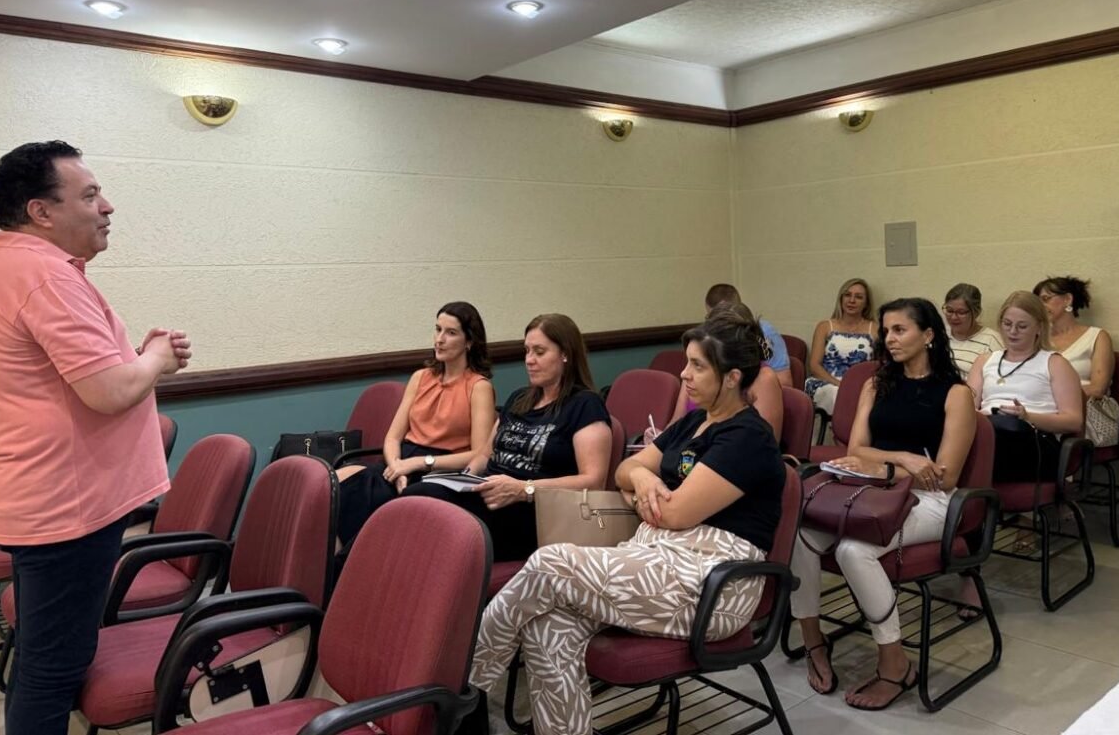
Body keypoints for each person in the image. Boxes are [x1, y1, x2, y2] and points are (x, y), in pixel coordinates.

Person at [468, 306, 786, 735]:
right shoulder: (695, 420)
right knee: (549, 627)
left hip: (714, 581)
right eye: (685, 363)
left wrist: (649, 496)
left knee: (548, 562)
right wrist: (641, 476)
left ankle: (462, 691)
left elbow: (673, 514)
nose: (684, 376)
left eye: (697, 366)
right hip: (655, 556)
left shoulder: (747, 436)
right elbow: (622, 473)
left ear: (732, 377)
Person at [0, 141, 191, 735]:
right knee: (53, 667)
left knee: (46, 659)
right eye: (90, 195)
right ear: (41, 212)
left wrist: (139, 357)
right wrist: (155, 358)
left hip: (51, 497)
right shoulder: (43, 276)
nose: (107, 207)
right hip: (67, 507)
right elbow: (109, 390)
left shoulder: (7, 268)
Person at [790, 297, 975, 710]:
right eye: (886, 330)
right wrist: (903, 459)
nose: (888, 339)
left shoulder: (955, 393)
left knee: (855, 550)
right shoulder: (877, 383)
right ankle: (814, 643)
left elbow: (945, 474)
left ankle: (895, 665)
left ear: (928, 335)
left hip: (930, 501)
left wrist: (885, 464)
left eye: (899, 330)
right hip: (872, 491)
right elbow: (855, 448)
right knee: (800, 533)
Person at [401, 313, 610, 561]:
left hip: (532, 513)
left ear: (565, 354)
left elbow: (594, 481)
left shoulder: (585, 405)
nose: (529, 361)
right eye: (527, 351)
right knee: (417, 495)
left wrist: (523, 489)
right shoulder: (519, 399)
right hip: (489, 496)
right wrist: (462, 479)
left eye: (539, 352)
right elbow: (485, 454)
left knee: (424, 504)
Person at [335, 302, 495, 547]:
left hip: (440, 468)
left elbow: (478, 453)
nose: (439, 339)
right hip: (400, 462)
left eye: (450, 333)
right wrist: (397, 465)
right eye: (437, 329)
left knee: (374, 500)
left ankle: (356, 564)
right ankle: (342, 569)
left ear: (469, 342)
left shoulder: (478, 386)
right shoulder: (421, 377)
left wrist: (418, 464)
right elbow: (392, 438)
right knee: (342, 491)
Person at [967, 291, 1083, 484]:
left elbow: (1074, 422)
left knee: (1009, 428)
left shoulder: (1054, 363)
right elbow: (968, 410)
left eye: (1022, 326)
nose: (1012, 332)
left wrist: (1028, 417)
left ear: (1039, 327)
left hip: (1035, 440)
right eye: (1007, 324)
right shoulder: (984, 361)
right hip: (989, 434)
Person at [668, 300, 784, 441]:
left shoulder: (763, 378)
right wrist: (660, 438)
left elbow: (762, 444)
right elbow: (676, 424)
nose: (685, 374)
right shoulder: (694, 375)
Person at [1035, 276, 1117, 443]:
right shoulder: (1037, 340)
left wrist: (1059, 397)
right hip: (1043, 408)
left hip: (1085, 410)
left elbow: (1098, 388)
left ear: (1067, 299)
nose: (1040, 306)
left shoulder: (1097, 336)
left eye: (1045, 299)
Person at [805, 278, 877, 414]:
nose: (852, 300)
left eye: (859, 297)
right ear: (841, 298)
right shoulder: (825, 326)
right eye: (847, 295)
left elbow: (880, 365)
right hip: (826, 382)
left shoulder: (874, 329)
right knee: (836, 393)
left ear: (866, 303)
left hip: (860, 384)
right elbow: (814, 365)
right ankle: (838, 432)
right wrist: (840, 384)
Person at [704, 282, 793, 386]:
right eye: (710, 318)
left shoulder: (764, 332)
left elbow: (785, 382)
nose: (713, 324)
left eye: (716, 318)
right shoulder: (711, 336)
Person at [943, 283, 1004, 376]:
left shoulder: (992, 341)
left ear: (976, 312)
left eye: (961, 312)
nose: (954, 317)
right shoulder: (940, 334)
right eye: (949, 310)